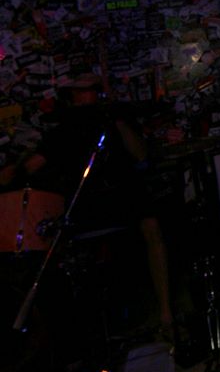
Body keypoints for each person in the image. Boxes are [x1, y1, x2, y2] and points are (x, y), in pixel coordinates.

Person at [0, 74, 175, 355]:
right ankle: (79, 332)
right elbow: (32, 166)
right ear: (72, 96)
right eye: (83, 90)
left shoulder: (113, 122)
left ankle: (166, 314)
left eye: (93, 89)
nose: (90, 94)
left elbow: (141, 156)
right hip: (88, 204)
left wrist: (118, 121)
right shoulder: (64, 130)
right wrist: (15, 168)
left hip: (123, 195)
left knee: (151, 225)